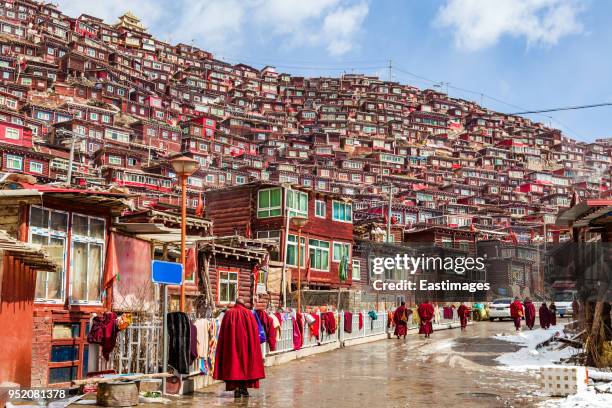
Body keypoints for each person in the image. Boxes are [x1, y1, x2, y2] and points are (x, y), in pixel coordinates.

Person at [214, 298, 265, 398]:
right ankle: (244, 389)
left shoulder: (228, 314)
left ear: (236, 303)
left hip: (232, 346)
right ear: (243, 304)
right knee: (245, 366)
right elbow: (254, 333)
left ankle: (236, 388)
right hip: (246, 346)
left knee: (234, 366)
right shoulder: (249, 314)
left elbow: (223, 333)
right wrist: (253, 347)